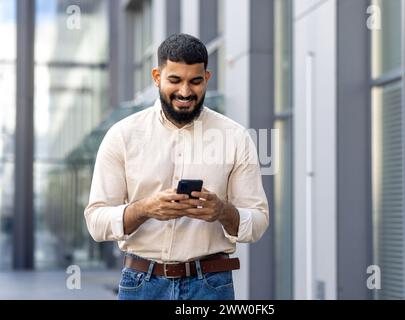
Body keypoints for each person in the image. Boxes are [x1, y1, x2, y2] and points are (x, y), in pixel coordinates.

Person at [84, 33, 269, 300]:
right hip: (141, 285)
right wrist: (144, 209)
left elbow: (259, 220)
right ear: (157, 77)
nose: (185, 92)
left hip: (210, 285)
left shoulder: (236, 137)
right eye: (175, 80)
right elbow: (96, 222)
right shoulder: (122, 135)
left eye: (195, 81)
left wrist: (222, 211)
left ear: (207, 78)